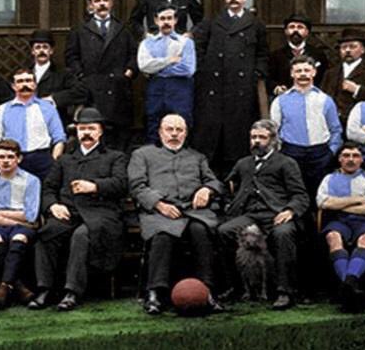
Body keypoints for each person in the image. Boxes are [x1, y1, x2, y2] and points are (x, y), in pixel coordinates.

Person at [28, 108, 128, 311]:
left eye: (91, 128)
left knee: (82, 236)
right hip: (70, 213)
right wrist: (53, 205)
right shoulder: (65, 159)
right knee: (46, 234)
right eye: (82, 129)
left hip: (101, 213)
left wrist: (95, 186)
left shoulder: (115, 157)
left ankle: (72, 292)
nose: (86, 133)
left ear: (100, 131)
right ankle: (44, 289)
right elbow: (48, 188)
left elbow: (121, 184)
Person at [129, 114, 225, 315]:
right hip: (159, 211)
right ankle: (154, 292)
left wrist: (207, 190)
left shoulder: (197, 157)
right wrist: (158, 204)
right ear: (160, 132)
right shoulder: (142, 155)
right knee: (162, 236)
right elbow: (137, 186)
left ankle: (208, 291)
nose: (174, 134)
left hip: (192, 212)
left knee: (202, 231)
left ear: (185, 133)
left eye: (179, 130)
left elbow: (215, 182)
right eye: (169, 129)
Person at [218, 119, 309, 310]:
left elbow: (300, 194)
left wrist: (290, 210)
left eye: (262, 137)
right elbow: (226, 185)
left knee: (283, 234)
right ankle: (234, 286)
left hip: (276, 214)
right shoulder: (243, 164)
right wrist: (225, 201)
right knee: (224, 231)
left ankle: (285, 291)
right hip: (250, 214)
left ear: (272, 140)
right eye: (253, 137)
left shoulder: (286, 163)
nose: (256, 141)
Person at [192, 0, 269, 176]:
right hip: (214, 89)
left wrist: (256, 73)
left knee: (237, 139)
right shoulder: (212, 23)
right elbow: (198, 49)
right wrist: (204, 72)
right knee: (213, 138)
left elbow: (262, 54)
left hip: (242, 90)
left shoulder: (255, 24)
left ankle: (235, 182)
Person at [65, 0, 138, 151]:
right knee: (96, 133)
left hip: (118, 90)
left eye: (105, 0)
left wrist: (129, 72)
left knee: (119, 138)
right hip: (92, 91)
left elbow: (134, 54)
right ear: (90, 4)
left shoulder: (123, 29)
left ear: (111, 3)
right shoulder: (80, 31)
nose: (102, 4)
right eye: (97, 0)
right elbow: (71, 57)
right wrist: (82, 77)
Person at [316, 142, 365, 312]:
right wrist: (357, 199)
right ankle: (350, 286)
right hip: (339, 220)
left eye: (355, 156)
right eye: (346, 156)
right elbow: (322, 202)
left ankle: (349, 282)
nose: (351, 160)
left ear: (361, 160)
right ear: (339, 159)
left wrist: (338, 203)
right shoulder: (329, 179)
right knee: (333, 237)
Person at [270, 55, 342, 201]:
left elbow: (336, 130)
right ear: (292, 74)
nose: (303, 74)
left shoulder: (325, 100)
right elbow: (274, 132)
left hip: (320, 153)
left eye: (307, 70)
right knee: (293, 193)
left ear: (314, 73)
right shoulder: (280, 101)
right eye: (298, 71)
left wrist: (330, 152)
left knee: (318, 195)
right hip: (291, 153)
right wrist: (281, 154)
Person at [0, 139, 40, 309]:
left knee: (19, 238)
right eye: (1, 157)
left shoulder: (31, 181)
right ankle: (18, 287)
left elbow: (30, 215)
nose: (5, 161)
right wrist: (13, 218)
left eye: (10, 157)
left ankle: (4, 287)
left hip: (21, 228)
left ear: (18, 159)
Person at [0, 68, 66, 179]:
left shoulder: (47, 108)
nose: (25, 84)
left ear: (35, 85)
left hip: (42, 160)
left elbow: (59, 137)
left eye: (28, 80)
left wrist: (54, 161)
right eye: (20, 81)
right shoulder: (2, 109)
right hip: (13, 159)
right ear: (13, 86)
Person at [137, 4, 196, 143]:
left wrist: (157, 67)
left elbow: (188, 69)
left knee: (180, 124)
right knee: (153, 124)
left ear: (175, 20)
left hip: (179, 90)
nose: (166, 22)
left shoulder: (185, 42)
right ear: (156, 21)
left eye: (169, 18)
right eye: (162, 18)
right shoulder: (147, 43)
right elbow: (144, 66)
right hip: (156, 90)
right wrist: (170, 60)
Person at [29, 29, 88, 128]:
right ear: (33, 51)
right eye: (38, 47)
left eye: (45, 47)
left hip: (56, 121)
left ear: (51, 51)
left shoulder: (63, 73)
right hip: (31, 122)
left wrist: (54, 99)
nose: (41, 51)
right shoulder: (26, 73)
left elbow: (81, 92)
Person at [321, 28, 365, 125]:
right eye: (344, 47)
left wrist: (357, 90)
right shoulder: (330, 73)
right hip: (333, 123)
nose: (348, 50)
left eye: (352, 47)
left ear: (362, 50)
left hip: (360, 123)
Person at [268, 13, 329, 94]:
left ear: (307, 32)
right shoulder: (276, 55)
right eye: (292, 27)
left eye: (300, 27)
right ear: (286, 31)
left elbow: (325, 78)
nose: (295, 30)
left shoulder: (318, 54)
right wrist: (276, 88)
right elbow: (269, 79)